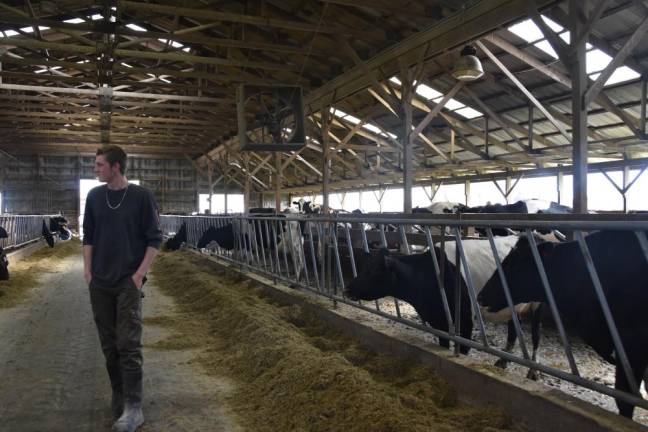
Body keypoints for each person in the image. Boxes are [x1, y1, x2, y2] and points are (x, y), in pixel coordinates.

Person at [83, 145, 162, 432]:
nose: (95, 169)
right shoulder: (94, 197)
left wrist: (139, 275)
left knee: (128, 344)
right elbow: (88, 236)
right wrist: (88, 272)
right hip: (100, 283)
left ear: (116, 167)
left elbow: (155, 238)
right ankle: (119, 396)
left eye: (100, 165)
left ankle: (133, 407)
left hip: (127, 282)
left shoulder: (141, 197)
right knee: (109, 344)